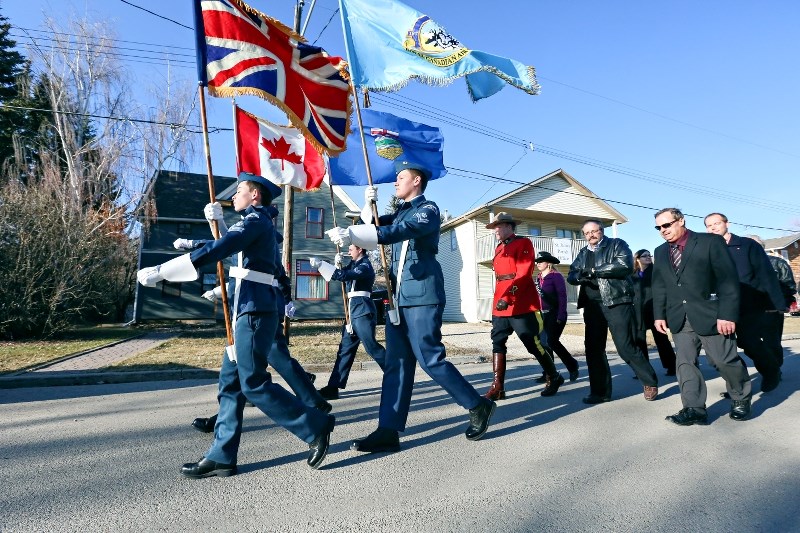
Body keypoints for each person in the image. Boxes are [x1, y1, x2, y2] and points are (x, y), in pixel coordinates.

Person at [137, 172, 335, 477]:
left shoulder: (256, 221)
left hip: (254, 311)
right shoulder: (255, 223)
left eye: (240, 191)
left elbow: (224, 246)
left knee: (253, 383)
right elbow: (227, 246)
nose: (233, 197)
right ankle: (222, 455)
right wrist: (207, 231)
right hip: (245, 309)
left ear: (254, 195)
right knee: (230, 384)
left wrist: (164, 270)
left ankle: (314, 425)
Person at [326, 160, 495, 453]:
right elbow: (374, 227)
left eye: (400, 177)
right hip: (399, 299)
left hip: (422, 296)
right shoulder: (401, 213)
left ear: (416, 181)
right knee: (397, 365)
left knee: (430, 359)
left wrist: (357, 235)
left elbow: (397, 232)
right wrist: (366, 210)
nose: (395, 182)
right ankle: (388, 430)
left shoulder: (428, 210)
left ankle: (478, 404)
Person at [188, 203, 331, 433]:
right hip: (252, 305)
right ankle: (223, 423)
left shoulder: (265, 248)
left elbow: (274, 277)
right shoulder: (255, 246)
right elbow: (233, 249)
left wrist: (287, 302)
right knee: (240, 370)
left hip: (262, 306)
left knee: (269, 363)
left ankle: (313, 407)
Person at [652, 208, 752, 424]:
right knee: (685, 363)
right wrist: (659, 314)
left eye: (666, 225)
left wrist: (727, 314)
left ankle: (740, 397)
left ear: (681, 221)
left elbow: (728, 279)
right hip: (679, 316)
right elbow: (659, 285)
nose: (663, 230)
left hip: (712, 315)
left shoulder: (710, 242)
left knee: (723, 360)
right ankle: (694, 408)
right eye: (658, 227)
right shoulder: (660, 252)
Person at [567, 219, 659, 404]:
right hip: (592, 306)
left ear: (601, 231)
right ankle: (600, 392)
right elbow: (572, 274)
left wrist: (593, 271)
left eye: (594, 231)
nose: (591, 235)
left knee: (625, 346)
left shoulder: (617, 244)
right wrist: (578, 275)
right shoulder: (583, 252)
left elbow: (623, 266)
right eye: (587, 233)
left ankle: (649, 381)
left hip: (617, 302)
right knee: (593, 349)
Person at [483, 212, 564, 401]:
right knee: (497, 341)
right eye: (494, 226)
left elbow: (523, 272)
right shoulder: (498, 248)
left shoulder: (523, 243)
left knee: (532, 343)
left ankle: (554, 376)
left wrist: (509, 296)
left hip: (521, 302)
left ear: (510, 226)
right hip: (500, 303)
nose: (495, 229)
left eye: (499, 225)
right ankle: (498, 387)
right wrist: (500, 299)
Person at [704, 213, 786, 392]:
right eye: (709, 226)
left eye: (716, 223)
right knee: (726, 352)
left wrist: (778, 303)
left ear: (727, 224)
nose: (713, 228)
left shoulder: (747, 245)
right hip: (722, 307)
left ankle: (771, 371)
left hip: (750, 304)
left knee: (749, 343)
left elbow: (766, 274)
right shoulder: (708, 250)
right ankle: (739, 389)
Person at [310, 244, 387, 400]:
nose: (348, 251)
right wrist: (336, 264)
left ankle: (395, 374)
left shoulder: (365, 265)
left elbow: (344, 276)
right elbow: (342, 272)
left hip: (362, 310)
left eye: (351, 249)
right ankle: (333, 387)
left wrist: (322, 265)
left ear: (360, 249)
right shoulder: (355, 264)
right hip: (353, 311)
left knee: (371, 347)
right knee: (344, 350)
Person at [534, 251, 580, 383]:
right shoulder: (538, 277)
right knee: (543, 344)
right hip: (542, 315)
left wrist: (561, 314)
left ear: (548, 263)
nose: (538, 264)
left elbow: (562, 297)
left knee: (552, 342)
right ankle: (549, 373)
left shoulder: (556, 276)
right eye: (537, 262)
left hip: (556, 313)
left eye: (540, 261)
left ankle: (572, 365)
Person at [631, 249, 677, 376]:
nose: (648, 257)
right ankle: (643, 370)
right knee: (639, 342)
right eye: (644, 256)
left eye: (649, 255)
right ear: (637, 259)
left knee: (661, 340)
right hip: (638, 312)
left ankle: (672, 366)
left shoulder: (655, 271)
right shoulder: (632, 274)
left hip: (655, 311)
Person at [754, 237, 797, 367]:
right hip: (749, 309)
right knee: (750, 341)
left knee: (772, 341)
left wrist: (786, 302)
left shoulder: (778, 263)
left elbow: (788, 284)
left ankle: (774, 368)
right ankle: (765, 366)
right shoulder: (739, 264)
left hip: (772, 308)